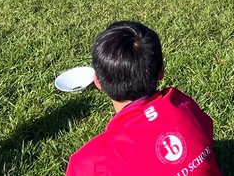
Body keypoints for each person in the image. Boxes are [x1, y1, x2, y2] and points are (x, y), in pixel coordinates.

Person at [65, 21, 221, 176]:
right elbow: (207, 134)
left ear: (98, 82)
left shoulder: (88, 162)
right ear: (161, 71)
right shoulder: (183, 104)